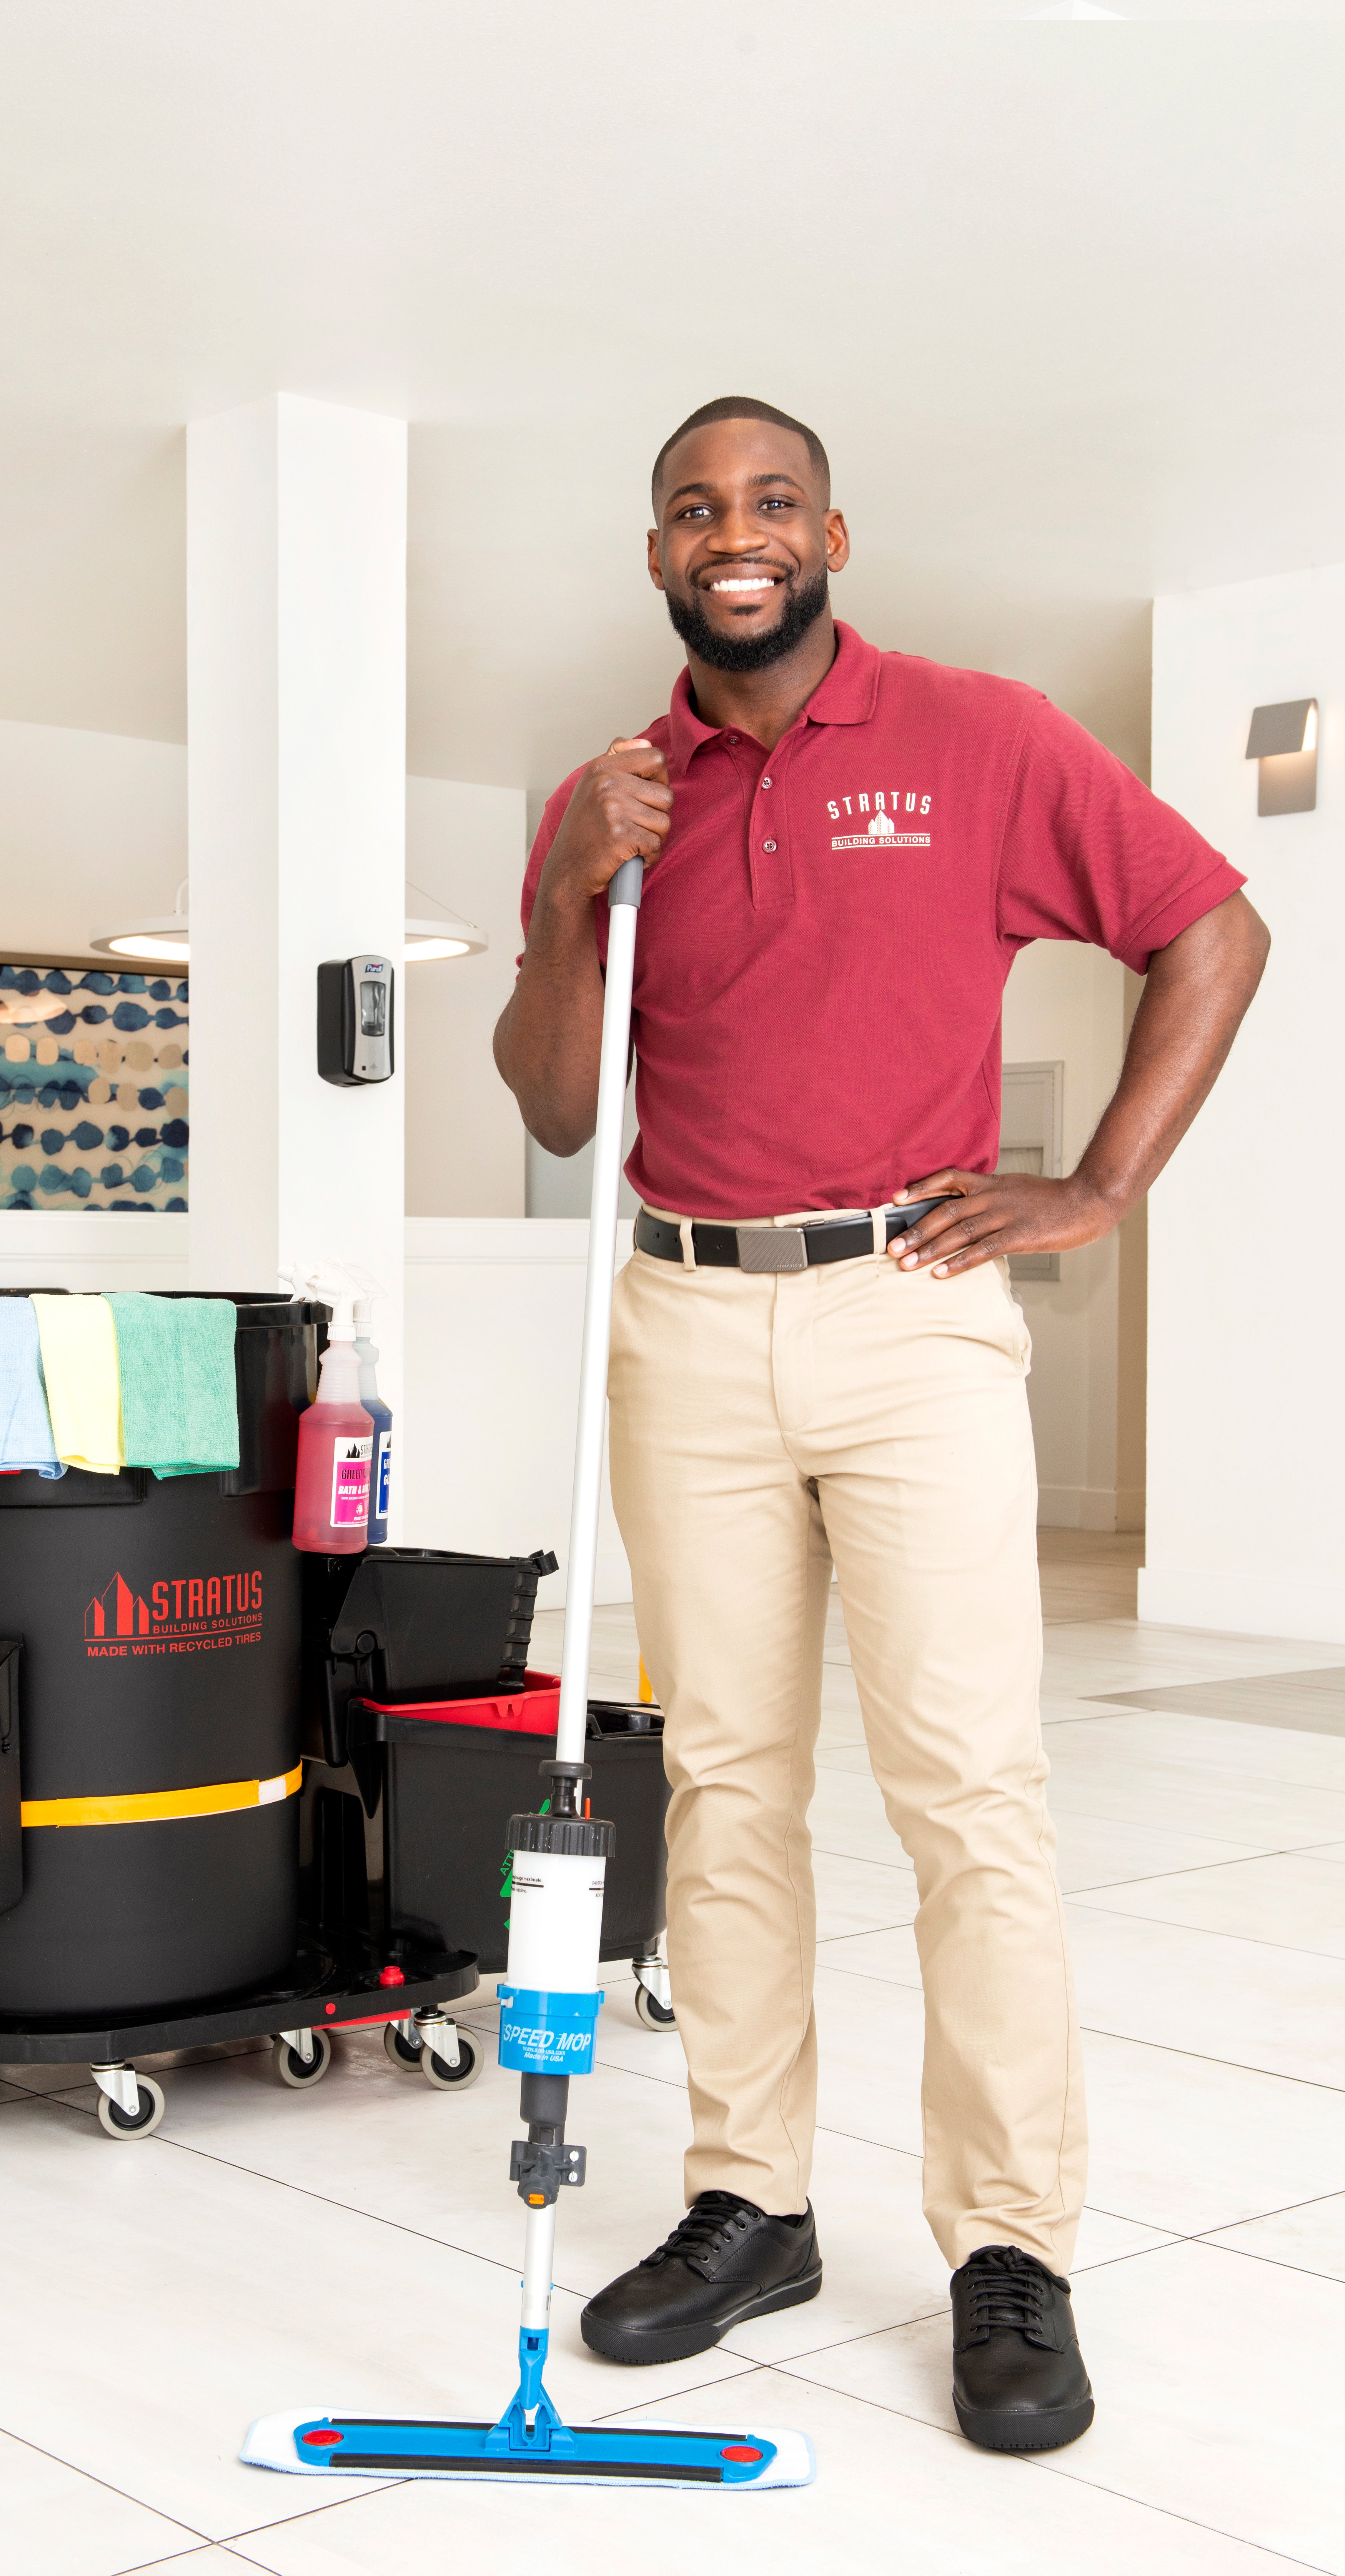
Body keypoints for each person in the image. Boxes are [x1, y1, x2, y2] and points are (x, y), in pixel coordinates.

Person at [493, 395, 1267, 2453]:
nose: (732, 536)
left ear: (830, 528)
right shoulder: (614, 786)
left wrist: (1097, 1183)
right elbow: (559, 1103)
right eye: (692, 509)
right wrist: (572, 885)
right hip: (681, 1309)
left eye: (766, 504)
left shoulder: (979, 735)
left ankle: (1010, 2243)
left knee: (964, 1792)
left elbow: (1211, 925)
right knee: (730, 1786)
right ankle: (751, 2202)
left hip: (911, 1314)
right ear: (654, 550)